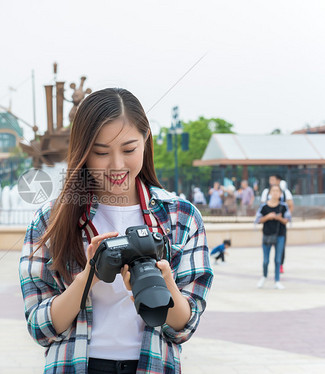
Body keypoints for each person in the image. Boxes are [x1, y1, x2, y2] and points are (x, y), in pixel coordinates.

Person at [19, 88, 213, 374]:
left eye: (129, 149)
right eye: (100, 152)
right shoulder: (52, 220)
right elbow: (40, 327)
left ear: (146, 140)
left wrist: (164, 285)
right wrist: (90, 276)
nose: (117, 165)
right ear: (82, 151)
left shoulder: (181, 217)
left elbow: (184, 327)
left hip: (152, 365)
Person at [255, 184, 291, 290]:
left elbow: (287, 220)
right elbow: (258, 220)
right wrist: (268, 217)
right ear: (270, 193)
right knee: (266, 260)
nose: (275, 193)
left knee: (277, 260)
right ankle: (264, 276)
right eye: (273, 191)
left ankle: (277, 280)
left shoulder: (283, 206)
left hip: (280, 235)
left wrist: (278, 218)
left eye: (277, 191)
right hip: (267, 235)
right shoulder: (264, 207)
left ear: (280, 194)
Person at [260, 175, 293, 273]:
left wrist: (284, 217)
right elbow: (261, 211)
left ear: (278, 181)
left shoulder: (286, 193)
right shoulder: (265, 192)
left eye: (273, 180)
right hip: (268, 229)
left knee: (280, 251)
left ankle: (280, 267)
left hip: (280, 229)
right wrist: (268, 216)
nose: (271, 181)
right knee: (266, 258)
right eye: (270, 180)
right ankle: (265, 274)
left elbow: (291, 206)